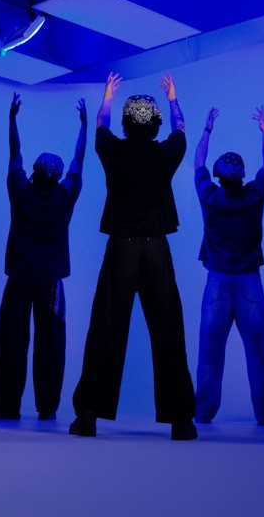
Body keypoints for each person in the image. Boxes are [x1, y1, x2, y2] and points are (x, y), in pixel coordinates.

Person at [69, 72, 197, 440]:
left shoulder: (112, 150)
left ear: (126, 123)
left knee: (105, 330)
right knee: (168, 330)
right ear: (155, 124)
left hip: (121, 249)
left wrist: (108, 95)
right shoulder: (166, 154)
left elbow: (101, 123)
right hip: (156, 248)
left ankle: (88, 415)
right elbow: (181, 127)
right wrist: (173, 98)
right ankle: (181, 421)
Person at [0, 93, 87, 421]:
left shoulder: (20, 191)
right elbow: (78, 162)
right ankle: (47, 407)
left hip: (19, 278)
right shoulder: (65, 196)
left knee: (11, 342)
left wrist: (12, 119)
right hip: (51, 282)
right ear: (57, 177)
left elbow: (14, 154)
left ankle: (8, 407)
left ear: (34, 172)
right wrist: (84, 126)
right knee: (51, 344)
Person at [193, 106, 264, 426]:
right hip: (249, 283)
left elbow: (198, 162)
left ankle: (203, 412)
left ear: (219, 177)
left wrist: (207, 130)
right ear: (243, 175)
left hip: (217, 283)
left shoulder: (208, 195)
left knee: (210, 351)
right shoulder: (254, 195)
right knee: (259, 350)